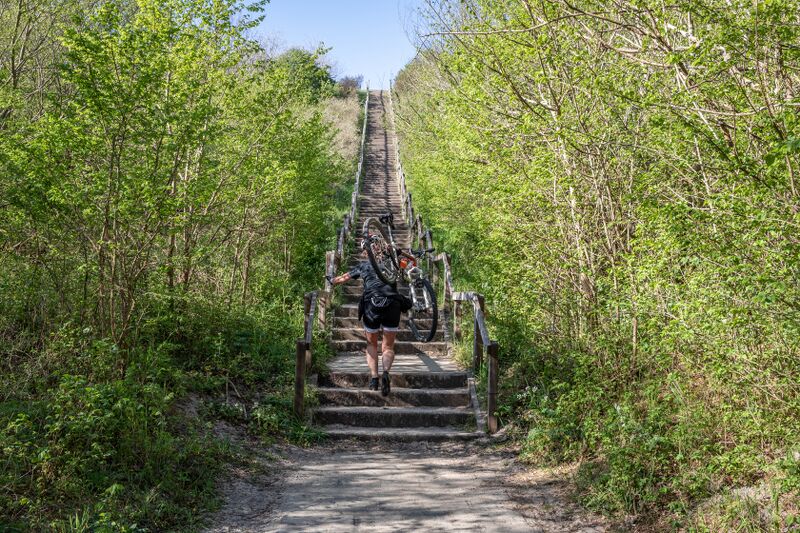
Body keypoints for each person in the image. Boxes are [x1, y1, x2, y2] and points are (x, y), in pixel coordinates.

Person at [327, 244, 407, 396]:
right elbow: (408, 257)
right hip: (393, 303)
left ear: (367, 254)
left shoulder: (363, 265)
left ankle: (374, 379)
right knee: (388, 347)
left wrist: (331, 280)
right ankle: (386, 373)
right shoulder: (392, 262)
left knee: (371, 343)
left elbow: (342, 278)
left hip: (372, 304)